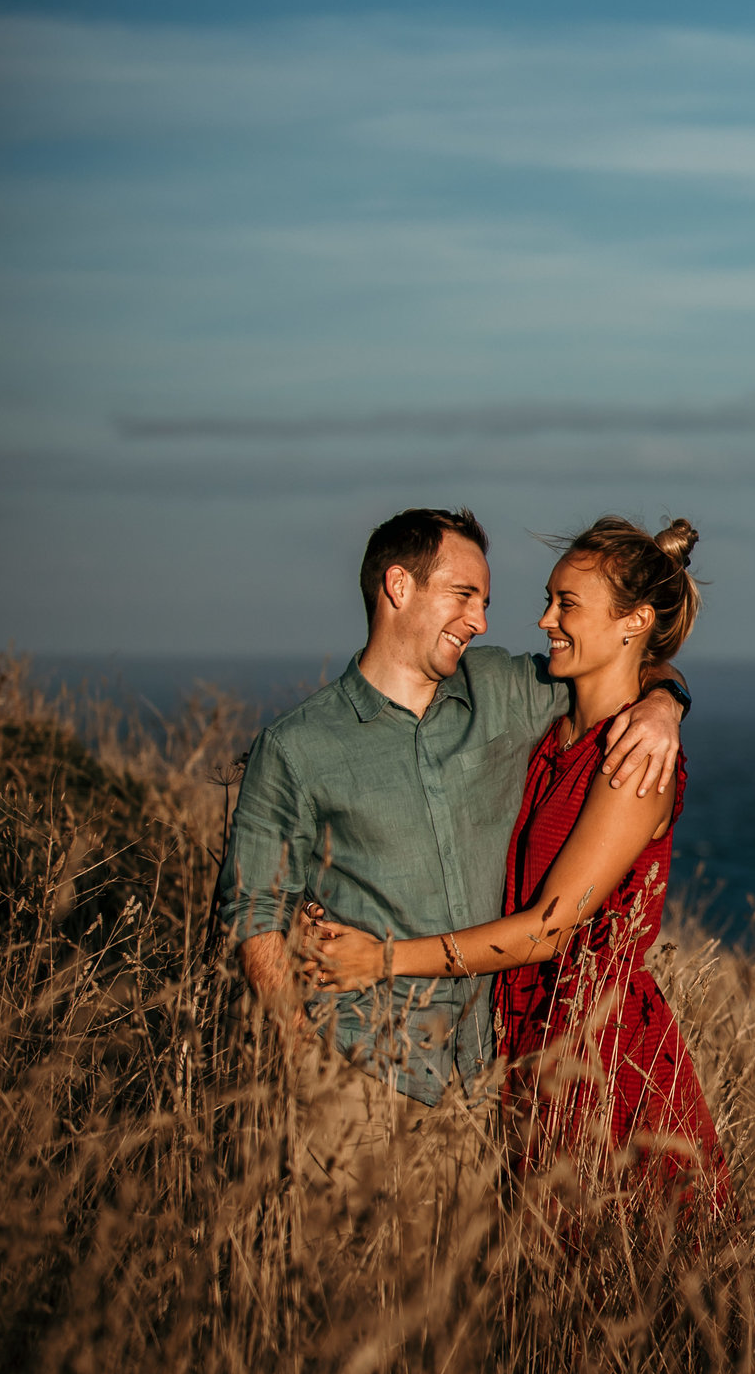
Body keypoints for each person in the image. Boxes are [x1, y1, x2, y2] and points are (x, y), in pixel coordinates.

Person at [215, 508, 688, 1204]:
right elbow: (252, 909)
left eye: (488, 602)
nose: (484, 621)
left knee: (466, 1308)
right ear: (398, 586)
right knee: (348, 1307)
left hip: (486, 1084)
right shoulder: (296, 745)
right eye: (464, 596)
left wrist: (666, 702)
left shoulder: (505, 690)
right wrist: (302, 1055)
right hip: (356, 1076)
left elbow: (623, 658)